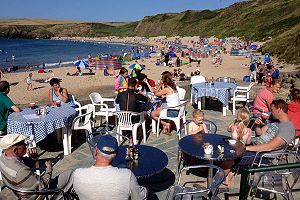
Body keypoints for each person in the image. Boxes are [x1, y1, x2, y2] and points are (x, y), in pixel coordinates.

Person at [226, 99, 295, 185]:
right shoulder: (276, 122)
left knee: (231, 157)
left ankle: (215, 180)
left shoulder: (287, 128)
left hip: (263, 156)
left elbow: (270, 147)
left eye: (272, 110)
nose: (270, 112)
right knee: (228, 148)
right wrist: (257, 124)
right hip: (255, 147)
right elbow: (260, 132)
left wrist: (246, 148)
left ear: (279, 109)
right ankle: (227, 173)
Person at [73, 134, 147, 200]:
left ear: (96, 151)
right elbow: (139, 197)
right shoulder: (127, 176)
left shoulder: (78, 174)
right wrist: (145, 190)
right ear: (116, 155)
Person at [0, 134, 73, 199]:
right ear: (15, 150)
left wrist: (33, 158)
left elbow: (21, 162)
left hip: (20, 190)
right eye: (23, 144)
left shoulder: (3, 157)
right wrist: (49, 168)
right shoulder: (21, 171)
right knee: (71, 174)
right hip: (38, 195)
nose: (26, 146)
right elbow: (43, 185)